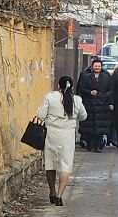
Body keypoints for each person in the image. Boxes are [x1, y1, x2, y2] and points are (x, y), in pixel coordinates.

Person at [36, 76, 86, 205]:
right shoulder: (77, 100)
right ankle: (59, 195)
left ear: (59, 85)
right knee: (65, 164)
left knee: (50, 163)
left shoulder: (50, 97)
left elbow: (40, 115)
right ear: (72, 85)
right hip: (68, 135)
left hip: (52, 133)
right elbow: (83, 116)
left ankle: (52, 191)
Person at [75, 58, 110, 151]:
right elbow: (81, 89)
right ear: (92, 66)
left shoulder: (106, 77)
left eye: (99, 66)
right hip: (89, 104)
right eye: (95, 66)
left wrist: (104, 97)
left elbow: (110, 91)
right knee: (89, 126)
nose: (97, 67)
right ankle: (90, 144)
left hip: (101, 105)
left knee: (100, 127)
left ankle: (98, 145)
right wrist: (89, 92)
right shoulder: (86, 77)